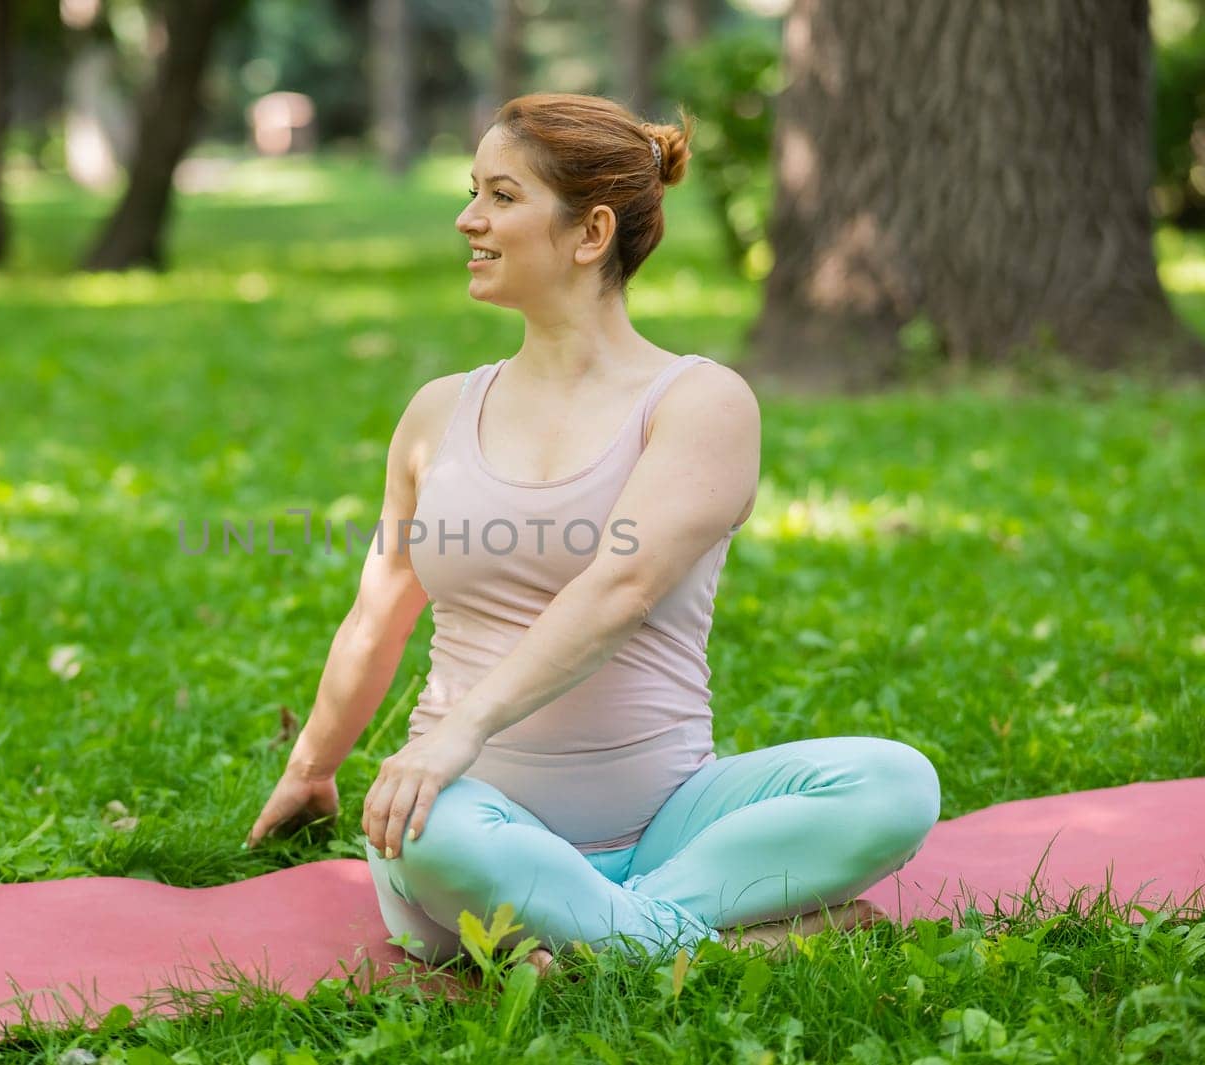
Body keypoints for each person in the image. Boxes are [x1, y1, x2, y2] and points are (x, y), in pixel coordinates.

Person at [245, 92, 940, 971]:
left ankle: (599, 934)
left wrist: (470, 721)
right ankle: (724, 945)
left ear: (590, 232)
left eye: (501, 196)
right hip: (476, 821)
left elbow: (623, 585)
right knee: (424, 834)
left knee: (896, 784)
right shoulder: (436, 414)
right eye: (473, 192)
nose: (467, 219)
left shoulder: (698, 403)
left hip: (669, 824)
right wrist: (312, 766)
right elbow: (378, 611)